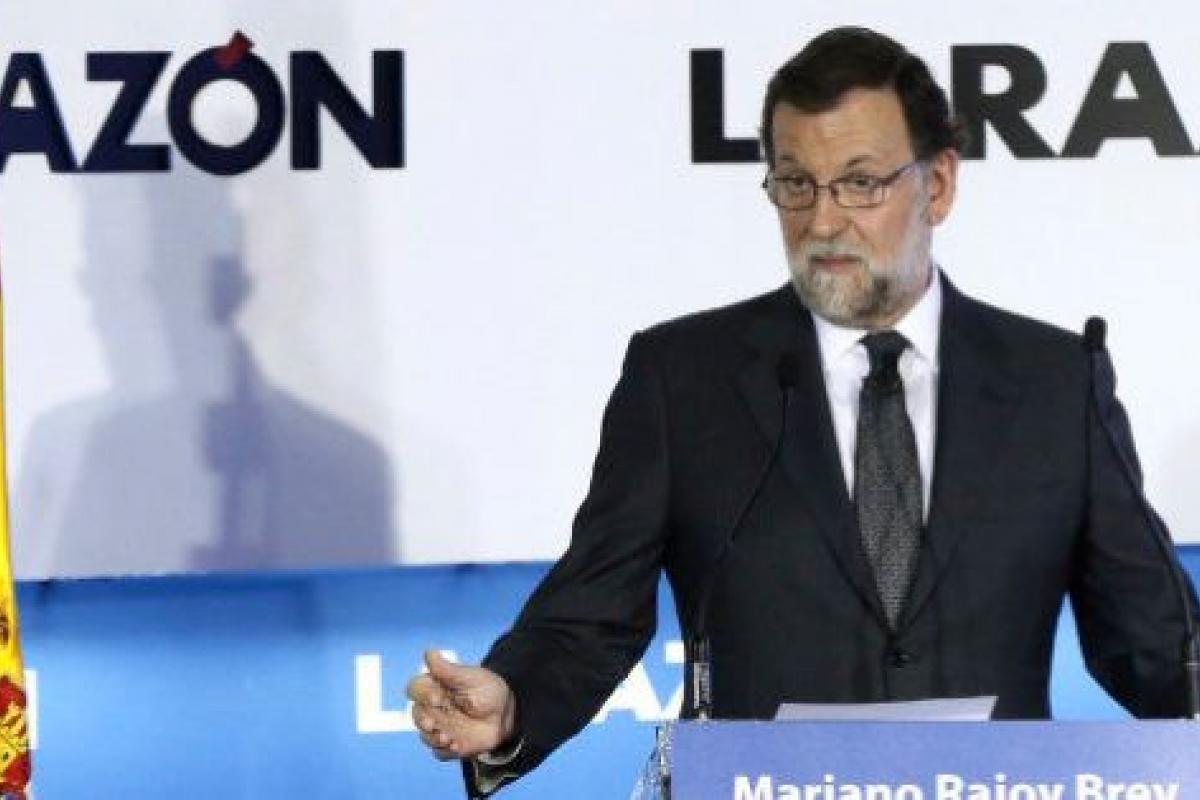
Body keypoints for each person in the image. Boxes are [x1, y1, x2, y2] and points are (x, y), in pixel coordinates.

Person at [407, 26, 1199, 797]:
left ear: (938, 184)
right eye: (795, 184)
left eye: (860, 183)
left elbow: (1153, 641)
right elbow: (592, 615)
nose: (822, 221)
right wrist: (512, 703)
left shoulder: (1055, 381)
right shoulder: (684, 379)